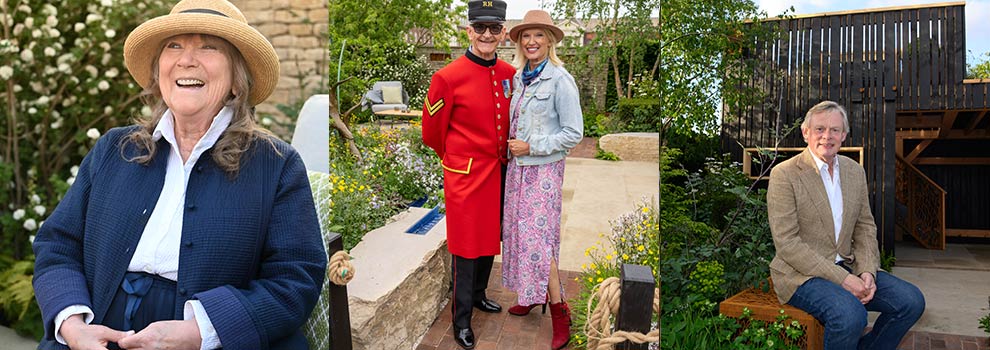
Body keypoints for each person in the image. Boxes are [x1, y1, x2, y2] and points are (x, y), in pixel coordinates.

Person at [31, 0, 327, 349]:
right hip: (96, 332)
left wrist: (201, 331)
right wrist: (73, 325)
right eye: (174, 46)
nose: (187, 60)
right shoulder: (115, 149)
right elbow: (58, 244)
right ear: (159, 74)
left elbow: (295, 279)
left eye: (208, 47)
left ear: (237, 81)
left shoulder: (276, 165)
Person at [767, 100, 925, 350]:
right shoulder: (784, 174)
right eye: (820, 129)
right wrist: (844, 279)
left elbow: (865, 227)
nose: (827, 136)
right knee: (850, 315)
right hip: (800, 274)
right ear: (806, 133)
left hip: (847, 265)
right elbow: (787, 244)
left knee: (911, 301)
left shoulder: (854, 171)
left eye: (835, 130)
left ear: (844, 135)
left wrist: (867, 271)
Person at [421, 0, 513, 348]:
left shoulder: (508, 74)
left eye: (494, 28)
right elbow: (432, 133)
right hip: (465, 175)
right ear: (469, 31)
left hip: (498, 171)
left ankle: (478, 295)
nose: (487, 34)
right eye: (480, 28)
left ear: (503, 32)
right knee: (465, 246)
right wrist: (457, 160)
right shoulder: (448, 77)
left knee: (489, 237)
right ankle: (461, 320)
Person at [500, 9, 583, 350]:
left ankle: (560, 311)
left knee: (539, 241)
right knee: (520, 235)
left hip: (543, 171)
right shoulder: (521, 77)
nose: (531, 41)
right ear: (520, 42)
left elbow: (573, 133)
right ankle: (532, 295)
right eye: (526, 36)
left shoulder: (560, 80)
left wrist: (532, 146)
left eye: (538, 35)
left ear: (549, 41)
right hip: (518, 170)